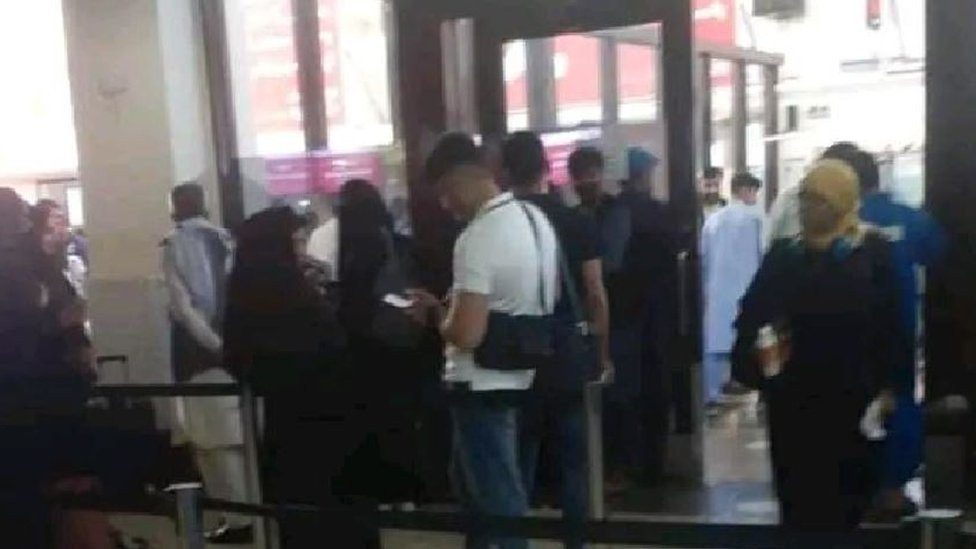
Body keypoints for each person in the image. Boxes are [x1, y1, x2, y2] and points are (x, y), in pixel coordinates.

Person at [731, 160, 905, 542]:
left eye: (820, 200)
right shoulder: (785, 255)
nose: (810, 208)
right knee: (798, 506)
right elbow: (751, 318)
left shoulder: (871, 253)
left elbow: (893, 326)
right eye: (806, 198)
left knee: (846, 505)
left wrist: (890, 388)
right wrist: (759, 366)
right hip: (792, 403)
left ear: (842, 202)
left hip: (852, 403)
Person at [410, 149, 559, 549]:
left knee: (497, 498)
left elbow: (467, 334)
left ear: (460, 180)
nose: (446, 205)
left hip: (480, 382)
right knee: (477, 489)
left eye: (445, 193)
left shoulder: (477, 237)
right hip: (522, 369)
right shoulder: (535, 219)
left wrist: (438, 319)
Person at [224, 207, 378, 548]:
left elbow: (239, 358)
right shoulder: (291, 292)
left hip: (289, 426)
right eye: (294, 241)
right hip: (326, 424)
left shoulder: (247, 291)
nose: (301, 249)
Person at [502, 132, 611, 548]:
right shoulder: (576, 221)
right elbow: (596, 291)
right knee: (573, 463)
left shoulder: (502, 224)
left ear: (505, 172)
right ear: (547, 168)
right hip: (568, 353)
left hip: (518, 356)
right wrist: (600, 353)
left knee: (520, 461)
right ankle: (576, 543)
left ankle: (517, 540)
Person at [823, 146, 946, 517]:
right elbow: (939, 252)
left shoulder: (837, 222)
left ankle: (847, 487)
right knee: (898, 402)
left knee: (843, 405)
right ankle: (891, 487)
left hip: (842, 336)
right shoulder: (908, 219)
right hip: (899, 330)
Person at [160, 182, 249, 544]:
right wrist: (230, 345)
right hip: (234, 349)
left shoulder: (174, 244)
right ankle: (245, 514)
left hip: (198, 355)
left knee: (210, 441)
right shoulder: (227, 239)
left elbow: (184, 308)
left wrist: (214, 345)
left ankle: (238, 518)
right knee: (231, 436)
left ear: (175, 207)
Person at [332, 179, 423, 507]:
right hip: (402, 342)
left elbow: (353, 304)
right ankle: (408, 493)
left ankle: (384, 492)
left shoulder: (355, 247)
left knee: (374, 421)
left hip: (367, 348)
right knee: (401, 421)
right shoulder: (398, 241)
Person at [701, 173, 764, 412]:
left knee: (715, 344)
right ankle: (759, 391)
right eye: (753, 191)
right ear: (744, 190)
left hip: (717, 289)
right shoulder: (756, 218)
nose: (754, 197)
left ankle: (711, 395)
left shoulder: (714, 220)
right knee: (750, 341)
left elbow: (704, 257)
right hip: (748, 288)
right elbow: (763, 253)